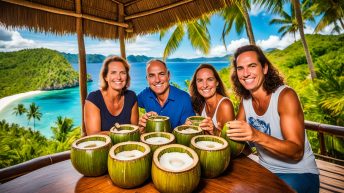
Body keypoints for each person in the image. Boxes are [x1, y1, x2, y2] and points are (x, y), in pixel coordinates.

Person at [227, 45, 319, 193]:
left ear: (264, 68)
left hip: (299, 173)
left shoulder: (285, 96)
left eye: (252, 66)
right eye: (240, 68)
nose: (245, 73)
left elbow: (296, 152)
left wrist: (255, 135)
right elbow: (241, 147)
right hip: (265, 171)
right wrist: (218, 132)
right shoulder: (246, 102)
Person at [84, 56, 139, 135]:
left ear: (127, 76)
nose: (119, 77)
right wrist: (122, 133)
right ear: (105, 77)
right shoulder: (94, 98)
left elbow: (134, 130)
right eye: (113, 72)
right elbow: (93, 135)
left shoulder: (131, 96)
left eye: (123, 73)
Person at [138, 59, 195, 132]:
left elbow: (190, 130)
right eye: (152, 75)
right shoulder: (145, 94)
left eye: (161, 74)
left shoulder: (184, 98)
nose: (157, 80)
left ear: (168, 75)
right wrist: (141, 121)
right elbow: (129, 102)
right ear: (147, 79)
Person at [188, 64, 235, 135]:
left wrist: (215, 131)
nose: (205, 85)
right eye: (200, 80)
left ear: (217, 82)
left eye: (209, 79)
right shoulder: (201, 104)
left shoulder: (225, 105)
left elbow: (231, 141)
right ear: (196, 84)